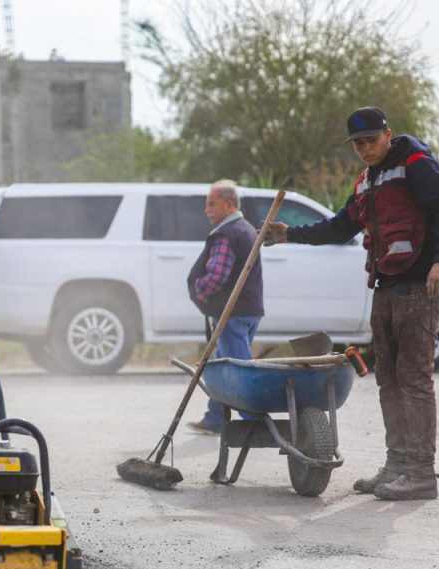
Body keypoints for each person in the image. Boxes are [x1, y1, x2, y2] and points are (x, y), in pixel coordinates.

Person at [266, 106, 439, 501]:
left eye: (371, 140)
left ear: (387, 134)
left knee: (413, 380)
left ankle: (420, 472)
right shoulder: (367, 181)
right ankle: (397, 465)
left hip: (418, 287)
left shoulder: (415, 164)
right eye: (358, 144)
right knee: (389, 380)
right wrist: (289, 234)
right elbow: (341, 225)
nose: (364, 149)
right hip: (386, 286)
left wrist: (438, 262)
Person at [185, 179, 265, 435]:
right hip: (248, 311)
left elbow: (217, 274)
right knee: (223, 365)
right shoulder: (246, 229)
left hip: (233, 313)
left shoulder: (228, 233)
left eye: (212, 204)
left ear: (229, 205)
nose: (207, 209)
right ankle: (215, 418)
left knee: (236, 371)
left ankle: (253, 419)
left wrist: (200, 290)